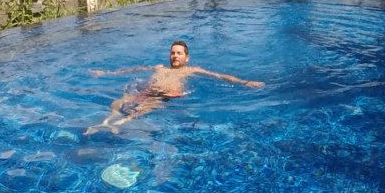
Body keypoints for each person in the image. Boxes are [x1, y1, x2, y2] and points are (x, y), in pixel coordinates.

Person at [86, 40, 263, 134]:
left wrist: (245, 82)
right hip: (146, 90)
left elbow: (220, 76)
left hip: (165, 95)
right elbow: (133, 69)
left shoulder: (192, 70)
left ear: (187, 57)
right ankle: (105, 122)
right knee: (119, 102)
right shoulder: (159, 67)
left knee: (141, 109)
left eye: (179, 53)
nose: (175, 56)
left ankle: (120, 124)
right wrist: (106, 73)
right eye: (172, 53)